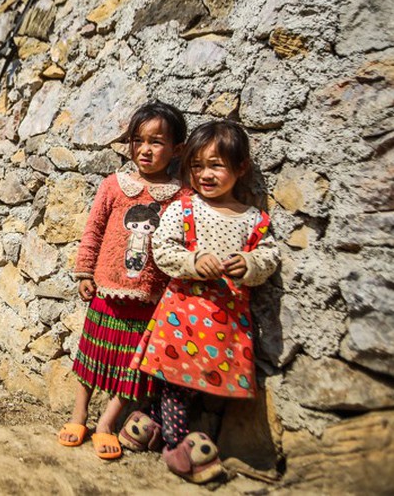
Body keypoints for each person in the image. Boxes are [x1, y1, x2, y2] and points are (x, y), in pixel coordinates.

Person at [128, 120, 280, 483]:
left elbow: (269, 256)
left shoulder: (253, 221)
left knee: (205, 385)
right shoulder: (184, 210)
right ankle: (179, 447)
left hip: (225, 323)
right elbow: (163, 250)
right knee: (176, 382)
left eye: (216, 165)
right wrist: (194, 262)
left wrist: (250, 264)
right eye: (197, 166)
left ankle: (152, 425)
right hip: (182, 316)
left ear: (240, 168)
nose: (205, 174)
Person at [57, 101, 190, 460]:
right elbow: (94, 231)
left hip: (148, 299)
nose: (145, 149)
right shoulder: (113, 186)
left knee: (132, 367)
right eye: (138, 140)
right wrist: (85, 271)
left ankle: (106, 424)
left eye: (157, 142)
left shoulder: (181, 197)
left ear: (177, 149)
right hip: (105, 291)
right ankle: (79, 415)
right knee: (91, 356)